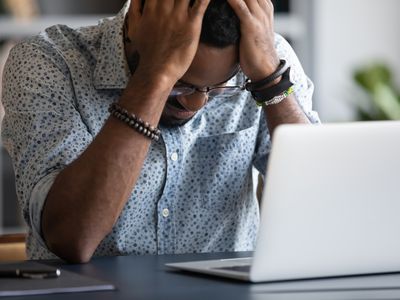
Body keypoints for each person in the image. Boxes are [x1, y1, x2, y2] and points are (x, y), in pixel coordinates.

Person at [1, 0, 320, 263]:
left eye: (218, 87)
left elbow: (318, 204)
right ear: (137, 19)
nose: (196, 102)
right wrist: (155, 77)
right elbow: (72, 237)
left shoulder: (264, 58)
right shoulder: (49, 62)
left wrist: (271, 84)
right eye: (181, 85)